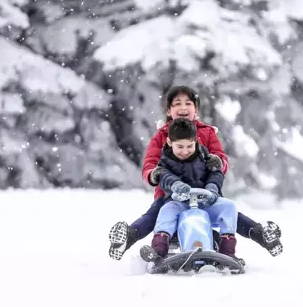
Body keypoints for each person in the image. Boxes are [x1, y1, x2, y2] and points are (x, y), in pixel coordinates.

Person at [108, 85, 283, 260]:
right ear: (169, 110)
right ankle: (130, 237)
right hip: (171, 194)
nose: (183, 107)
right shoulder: (162, 136)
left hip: (205, 192)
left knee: (231, 213)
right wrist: (157, 175)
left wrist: (217, 167)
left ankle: (260, 235)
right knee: (156, 214)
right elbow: (150, 164)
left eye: (188, 103)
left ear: (196, 109)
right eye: (177, 104)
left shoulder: (206, 133)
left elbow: (220, 160)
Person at [142, 117, 239, 262]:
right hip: (179, 203)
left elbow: (216, 172)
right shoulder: (165, 160)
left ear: (196, 141)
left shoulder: (205, 156)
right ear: (169, 142)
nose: (185, 151)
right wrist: (176, 185)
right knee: (165, 211)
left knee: (229, 207)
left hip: (204, 202)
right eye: (180, 147)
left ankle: (227, 253)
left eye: (189, 146)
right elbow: (164, 176)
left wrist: (212, 188)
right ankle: (158, 252)